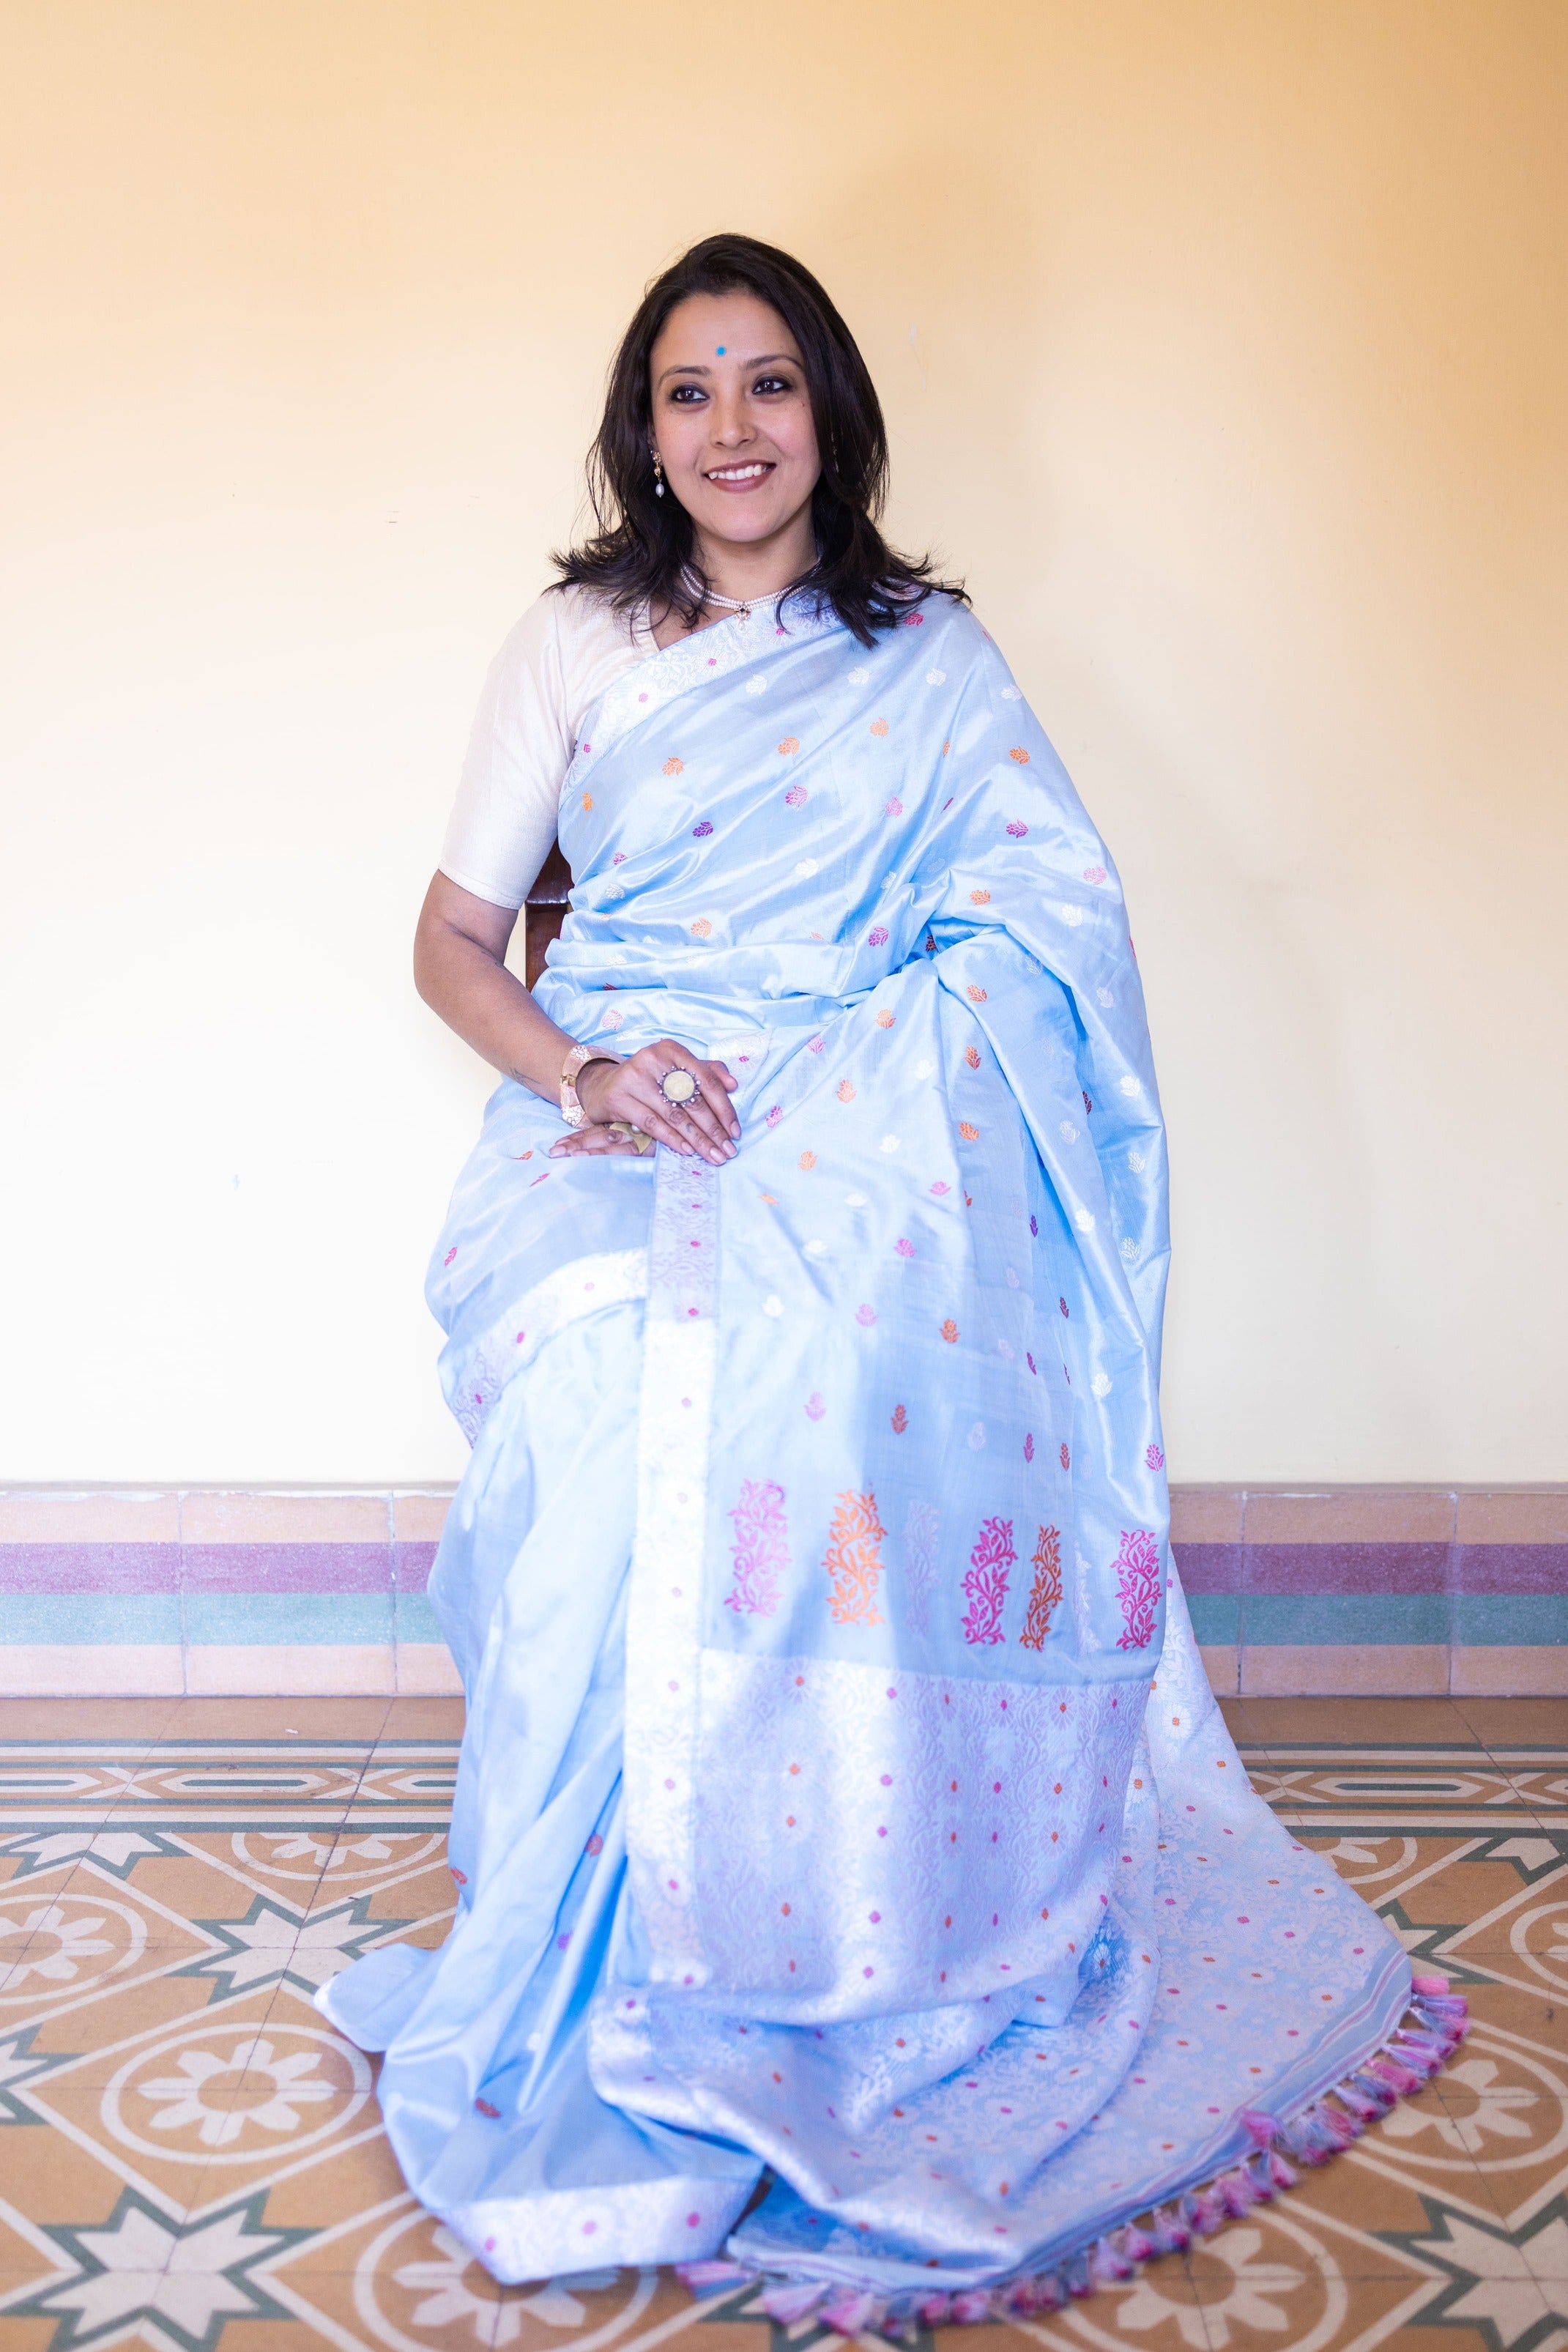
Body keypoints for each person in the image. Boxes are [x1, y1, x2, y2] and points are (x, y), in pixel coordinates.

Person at [318, 234, 1463, 2326]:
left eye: (769, 382)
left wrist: (843, 1088)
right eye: (690, 389)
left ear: (829, 409)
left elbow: (1049, 918)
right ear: (643, 432)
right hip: (603, 1116)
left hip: (850, 1125)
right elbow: (455, 947)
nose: (732, 427)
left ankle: (847, 1920)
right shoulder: (574, 641)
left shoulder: (926, 653)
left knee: (844, 1353)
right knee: (599, 1373)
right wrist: (589, 1067)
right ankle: (595, 1941)